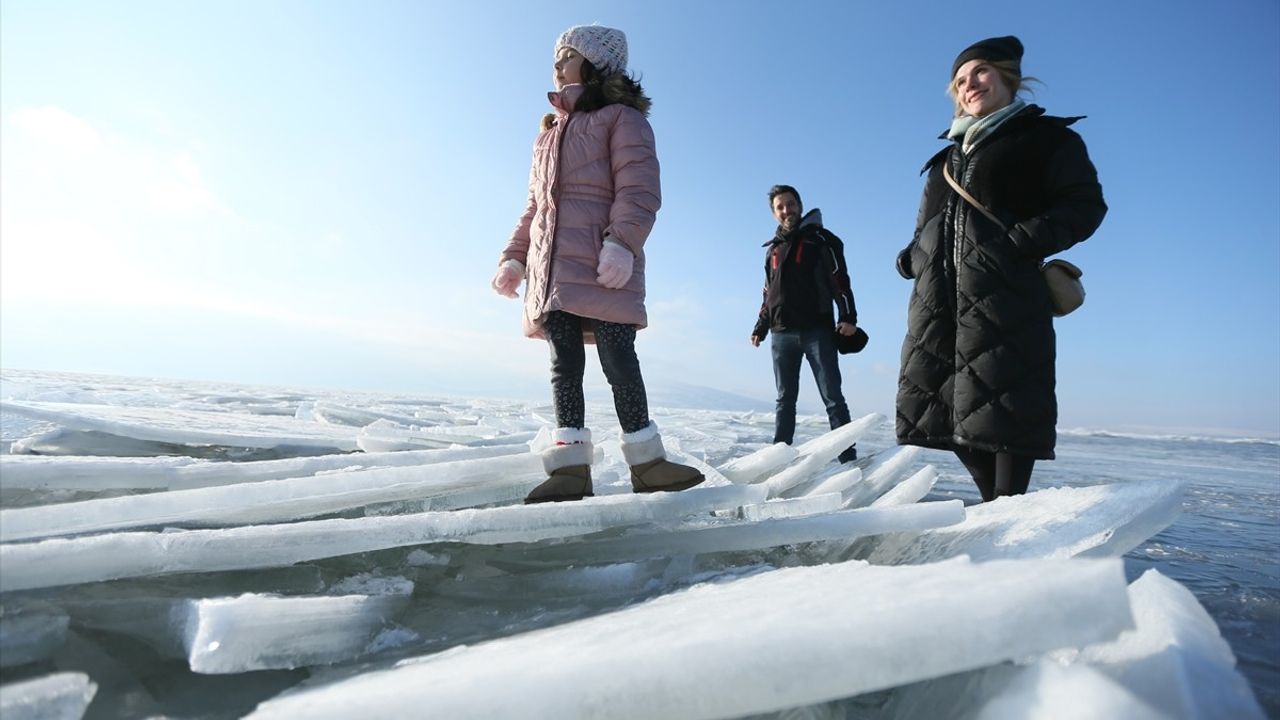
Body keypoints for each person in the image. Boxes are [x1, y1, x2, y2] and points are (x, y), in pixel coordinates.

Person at [492, 24, 704, 504]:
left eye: (565, 55)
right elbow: (535, 208)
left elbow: (639, 188)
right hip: (552, 272)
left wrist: (623, 243)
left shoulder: (621, 119)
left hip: (603, 262)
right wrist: (514, 257)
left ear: (593, 63)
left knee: (618, 359)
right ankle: (570, 470)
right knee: (563, 367)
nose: (556, 63)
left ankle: (647, 462)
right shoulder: (547, 135)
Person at [894, 36, 1107, 501]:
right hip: (939, 302)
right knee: (948, 416)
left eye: (982, 72)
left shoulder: (1047, 140)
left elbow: (1085, 206)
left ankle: (1006, 525)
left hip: (1005, 296)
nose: (971, 84)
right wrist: (911, 258)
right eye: (961, 80)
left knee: (1006, 415)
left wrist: (1013, 245)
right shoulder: (945, 159)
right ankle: (998, 515)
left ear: (1009, 76)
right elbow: (924, 226)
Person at [751, 185, 860, 463]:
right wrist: (760, 327)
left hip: (817, 331)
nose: (786, 210)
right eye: (780, 207)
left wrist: (848, 317)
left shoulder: (822, 240)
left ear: (800, 205)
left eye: (790, 204)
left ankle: (848, 460)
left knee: (833, 398)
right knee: (784, 401)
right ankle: (779, 460)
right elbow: (768, 293)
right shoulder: (772, 250)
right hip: (780, 335)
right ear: (774, 213)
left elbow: (840, 281)